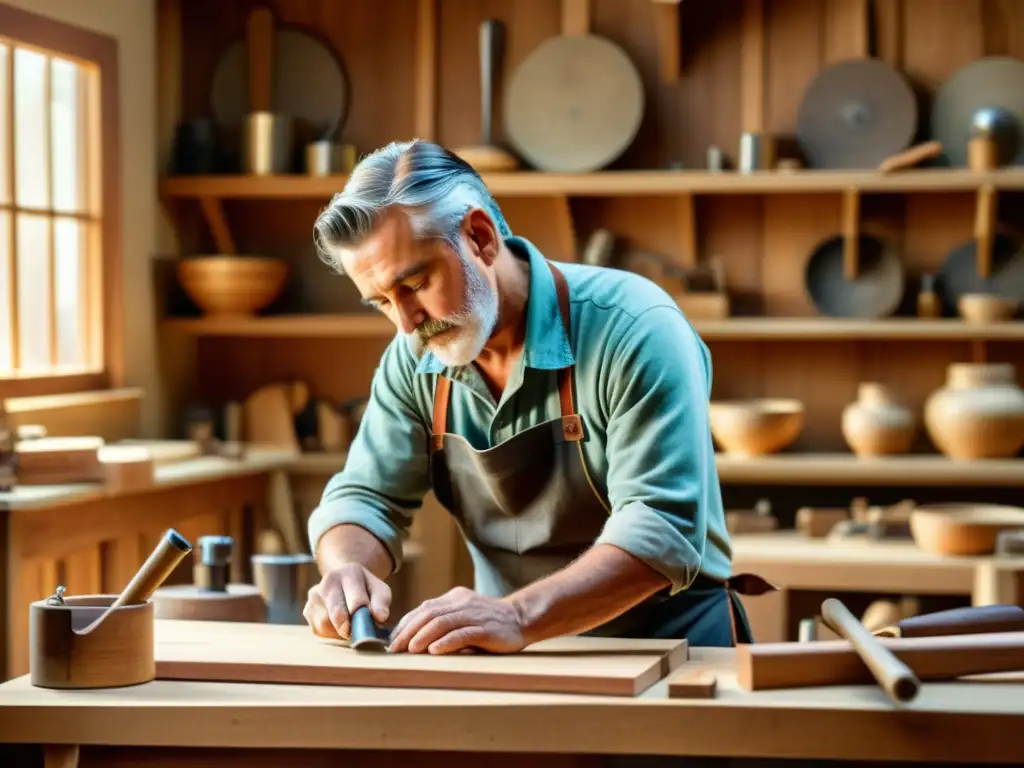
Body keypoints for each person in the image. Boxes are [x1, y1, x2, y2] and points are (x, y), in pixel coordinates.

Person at [302, 139, 771, 655]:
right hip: (515, 653)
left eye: (414, 283)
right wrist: (346, 568)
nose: (405, 322)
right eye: (381, 303)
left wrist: (518, 615)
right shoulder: (415, 355)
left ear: (479, 238)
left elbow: (660, 527)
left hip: (671, 649)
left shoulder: (635, 328)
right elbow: (366, 497)